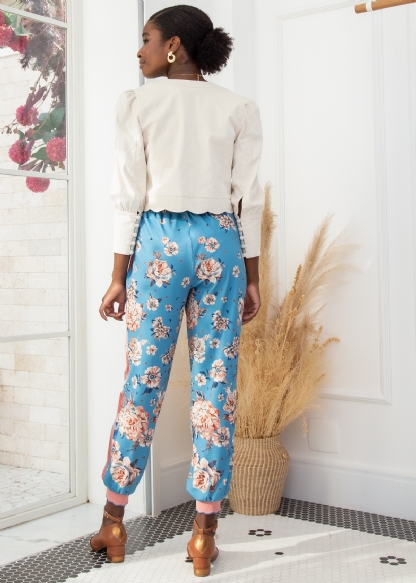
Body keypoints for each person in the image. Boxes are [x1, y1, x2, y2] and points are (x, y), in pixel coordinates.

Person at [89, 4, 264, 577]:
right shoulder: (238, 107)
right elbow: (248, 199)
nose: (139, 51)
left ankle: (114, 522)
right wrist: (253, 275)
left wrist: (118, 275)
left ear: (174, 47)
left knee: (143, 376)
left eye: (147, 39)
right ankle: (203, 534)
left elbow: (129, 196)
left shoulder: (137, 103)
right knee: (216, 382)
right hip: (221, 243)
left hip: (159, 244)